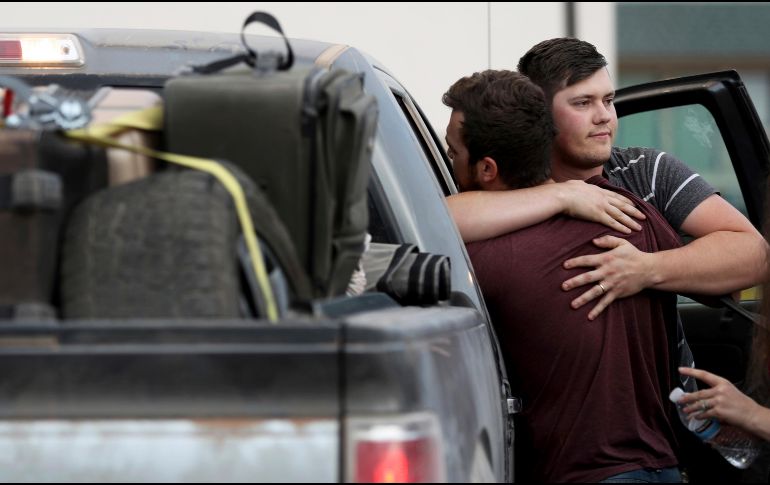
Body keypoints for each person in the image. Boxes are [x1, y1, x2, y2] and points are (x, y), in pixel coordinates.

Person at [444, 69, 684, 483]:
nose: (448, 165)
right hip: (663, 467)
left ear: (486, 169)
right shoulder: (631, 214)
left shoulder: (482, 258)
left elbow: (425, 223)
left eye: (452, 153)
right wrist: (563, 192)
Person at [447, 38, 768, 321]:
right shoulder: (515, 182)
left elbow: (754, 253)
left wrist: (646, 269)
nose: (603, 115)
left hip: (671, 387)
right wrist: (564, 197)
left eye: (609, 100)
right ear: (541, 114)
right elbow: (439, 220)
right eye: (583, 103)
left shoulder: (647, 169)